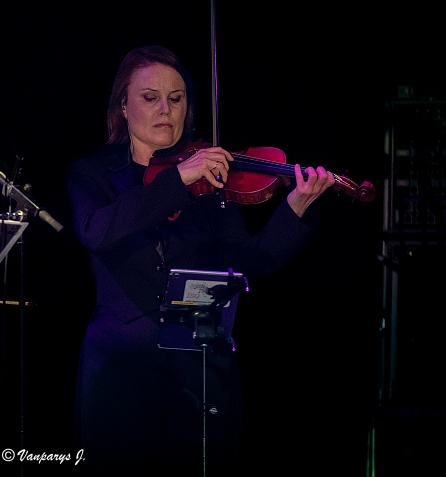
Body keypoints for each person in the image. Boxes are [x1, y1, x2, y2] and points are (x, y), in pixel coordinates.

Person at [67, 45, 335, 476]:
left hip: (198, 364)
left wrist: (295, 208)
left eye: (176, 98)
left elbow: (252, 259)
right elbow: (96, 231)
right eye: (150, 97)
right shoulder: (93, 173)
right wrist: (179, 178)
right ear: (123, 105)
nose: (165, 109)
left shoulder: (211, 175)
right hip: (119, 365)